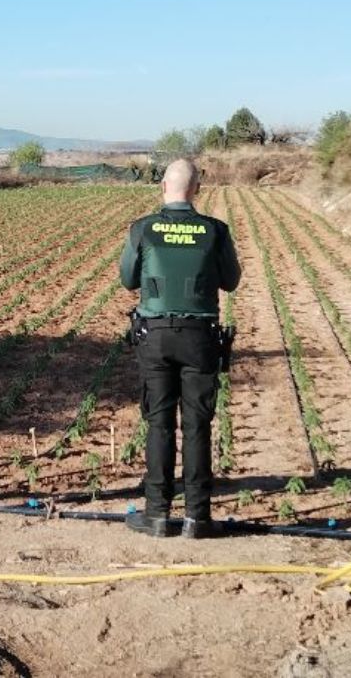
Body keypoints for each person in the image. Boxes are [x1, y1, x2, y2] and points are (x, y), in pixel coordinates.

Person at [119, 159, 240, 539]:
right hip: (200, 337)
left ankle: (156, 514)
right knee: (197, 424)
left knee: (158, 422)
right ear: (197, 190)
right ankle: (197, 517)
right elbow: (231, 281)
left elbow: (127, 279)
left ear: (163, 188)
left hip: (154, 336)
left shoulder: (144, 229)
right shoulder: (214, 231)